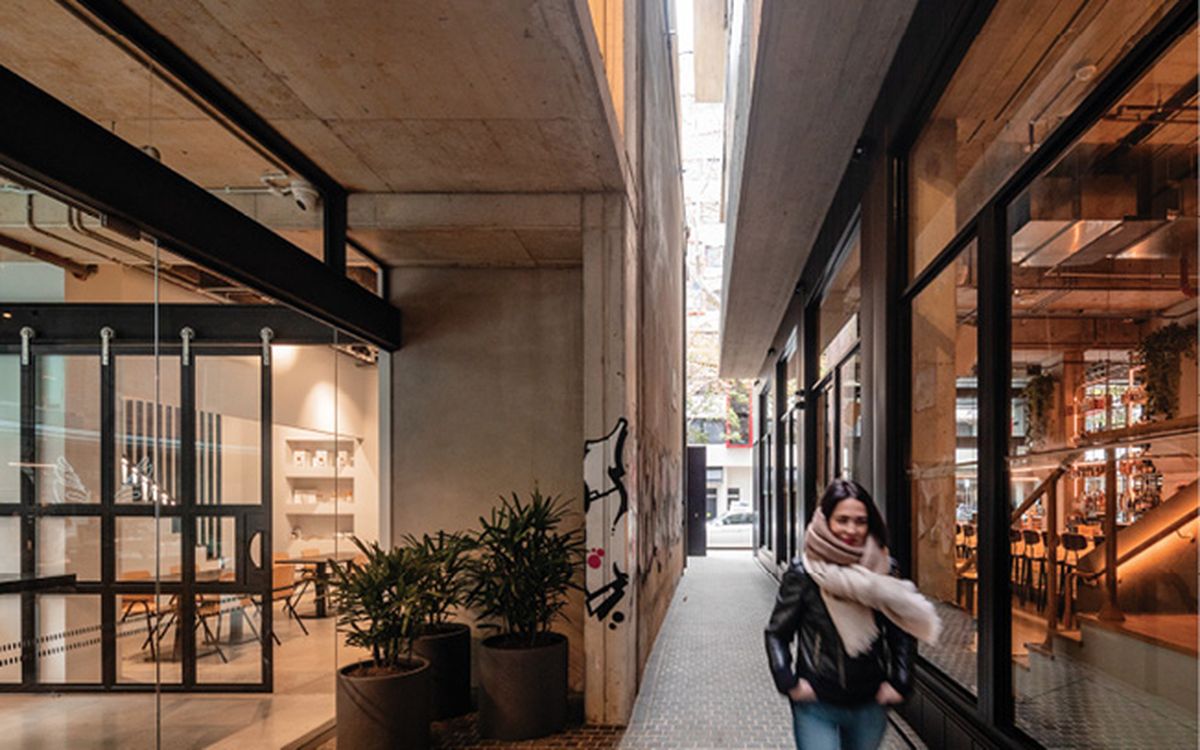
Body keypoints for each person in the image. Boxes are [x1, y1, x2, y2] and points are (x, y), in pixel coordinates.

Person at [765, 479, 941, 750]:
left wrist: (900, 681)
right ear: (826, 521)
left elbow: (901, 631)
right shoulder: (804, 573)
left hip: (869, 701)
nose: (851, 529)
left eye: (860, 521)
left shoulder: (883, 567)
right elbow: (777, 632)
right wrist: (788, 681)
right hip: (816, 701)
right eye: (842, 520)